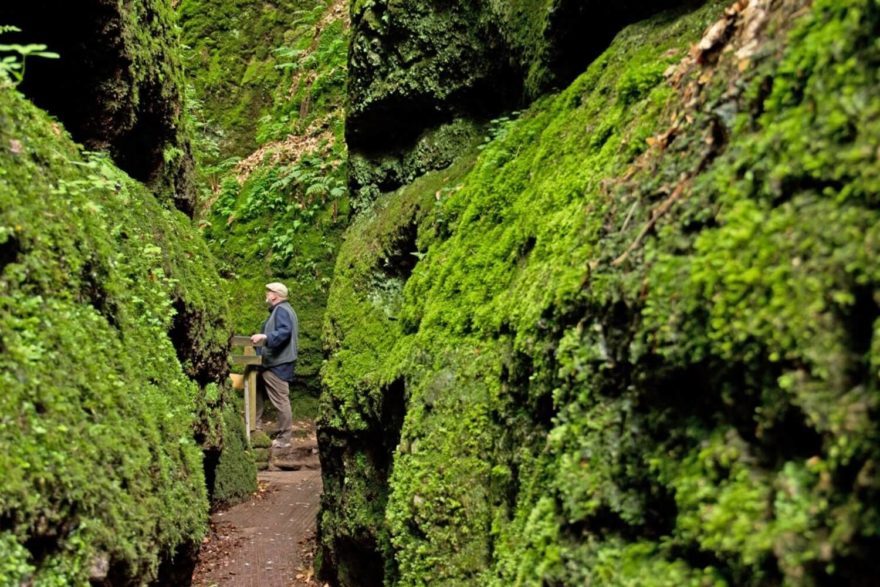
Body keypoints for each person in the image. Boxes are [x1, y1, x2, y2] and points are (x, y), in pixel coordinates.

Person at [250, 282, 298, 449]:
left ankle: (284, 439)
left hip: (277, 364)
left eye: (268, 291)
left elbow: (285, 331)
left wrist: (266, 338)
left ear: (275, 295)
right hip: (269, 363)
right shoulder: (281, 310)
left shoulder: (282, 310)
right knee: (257, 393)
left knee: (280, 400)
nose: (266, 294)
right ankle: (255, 429)